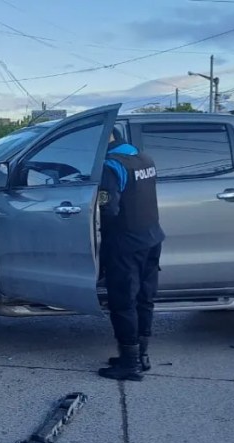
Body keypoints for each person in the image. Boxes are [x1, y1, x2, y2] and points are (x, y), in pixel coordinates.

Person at [96, 129, 165, 382]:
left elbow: (109, 210)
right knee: (144, 299)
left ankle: (129, 364)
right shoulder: (145, 159)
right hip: (152, 238)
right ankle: (141, 356)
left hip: (125, 243)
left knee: (123, 302)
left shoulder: (111, 167)